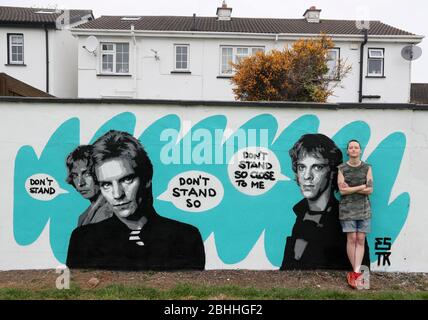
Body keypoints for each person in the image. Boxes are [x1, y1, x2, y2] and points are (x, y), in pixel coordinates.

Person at [66, 130, 205, 270]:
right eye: (106, 184)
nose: (117, 194)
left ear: (147, 179)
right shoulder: (83, 240)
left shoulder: (186, 238)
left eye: (127, 179)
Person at [281, 134, 370, 270]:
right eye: (301, 167)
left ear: (332, 172)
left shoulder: (342, 217)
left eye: (317, 167)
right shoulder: (300, 215)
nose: (307, 176)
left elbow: (362, 266)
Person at [338, 139, 373, 289]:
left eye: (356, 147)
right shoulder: (341, 168)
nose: (353, 149)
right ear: (347, 151)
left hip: (364, 208)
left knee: (360, 239)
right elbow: (342, 191)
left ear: (360, 150)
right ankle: (356, 272)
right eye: (350, 147)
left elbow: (370, 190)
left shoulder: (367, 167)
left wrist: (350, 188)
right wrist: (361, 186)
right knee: (351, 238)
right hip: (347, 209)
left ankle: (356, 272)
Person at [65, 145, 112, 227]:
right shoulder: (83, 217)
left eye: (86, 174)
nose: (80, 183)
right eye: (75, 175)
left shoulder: (110, 211)